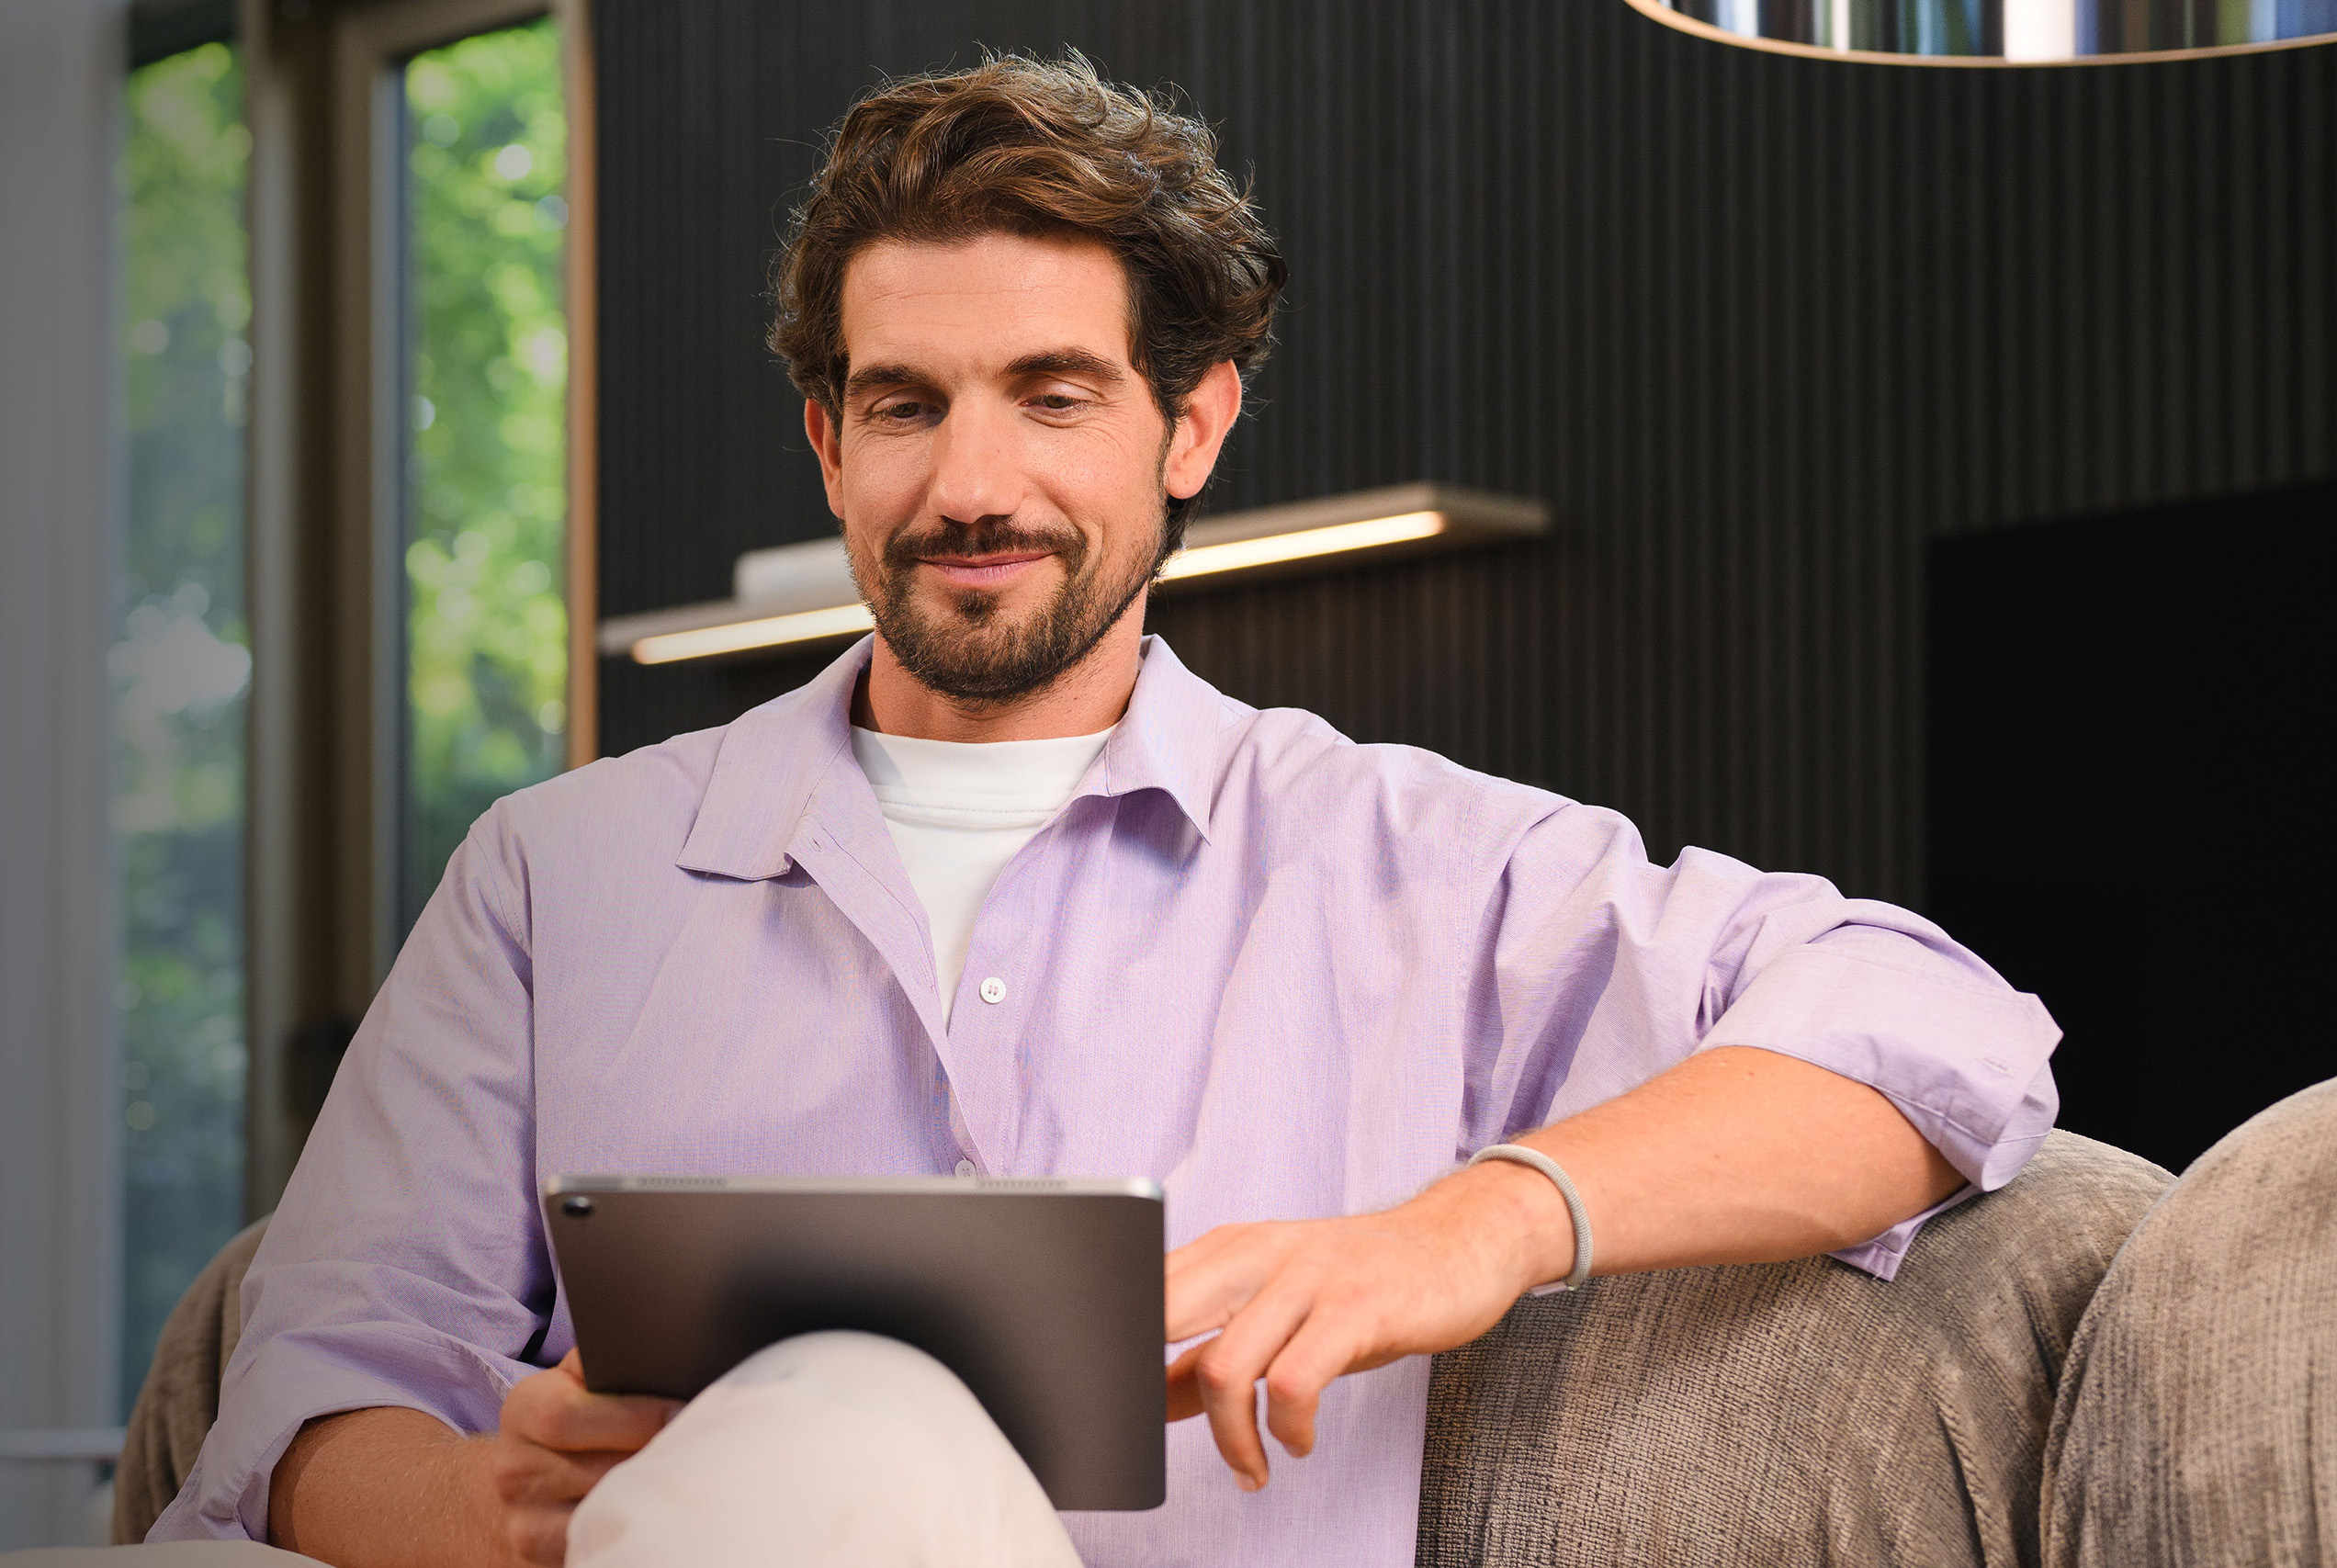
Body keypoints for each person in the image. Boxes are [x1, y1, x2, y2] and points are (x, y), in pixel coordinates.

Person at [153, 51, 2058, 1568]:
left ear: (1193, 426)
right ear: (829, 438)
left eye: (1053, 395)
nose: (971, 480)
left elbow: (1928, 1019)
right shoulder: (556, 873)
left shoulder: (1411, 863)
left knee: (854, 1427)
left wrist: (1468, 1228)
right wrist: (498, 1516)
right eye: (905, 405)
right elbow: (318, 1383)